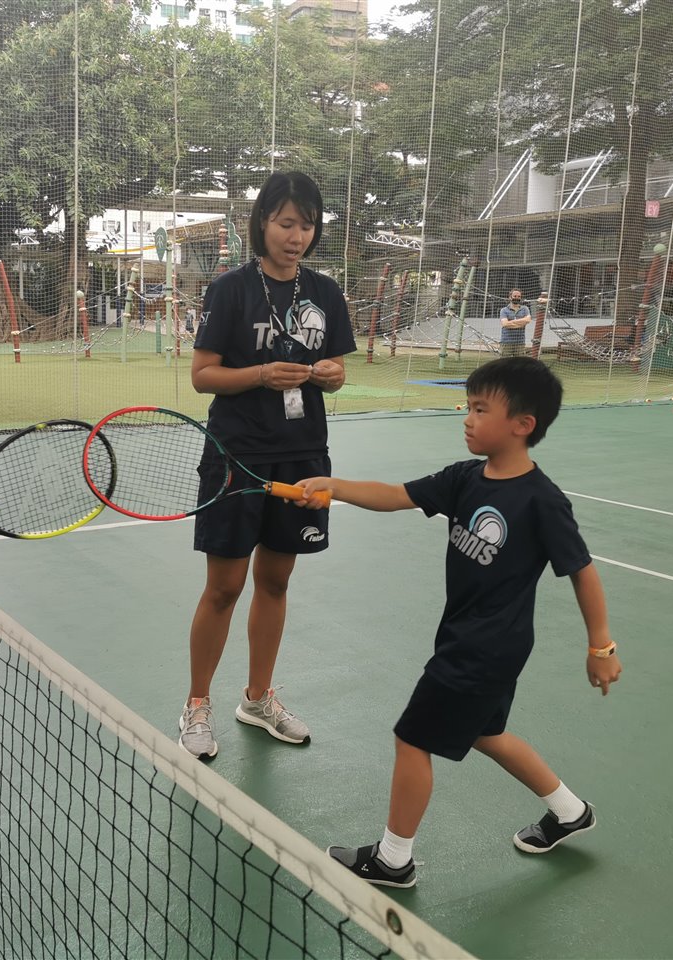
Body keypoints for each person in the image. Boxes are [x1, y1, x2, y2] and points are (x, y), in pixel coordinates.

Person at [295, 356, 621, 887]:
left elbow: (582, 571)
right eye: (467, 407)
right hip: (469, 636)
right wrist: (335, 486)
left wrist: (600, 648)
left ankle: (393, 859)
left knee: (412, 738)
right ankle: (570, 811)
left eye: (480, 409)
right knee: (485, 733)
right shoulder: (465, 478)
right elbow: (396, 496)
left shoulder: (542, 501)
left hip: (485, 647)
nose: (467, 419)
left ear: (522, 425)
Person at [179, 171, 356, 760]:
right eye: (286, 224)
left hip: (302, 455)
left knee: (276, 581)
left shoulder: (326, 293)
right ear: (262, 223)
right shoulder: (230, 289)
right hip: (237, 456)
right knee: (224, 587)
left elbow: (338, 370)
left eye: (307, 225)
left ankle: (257, 699)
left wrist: (331, 374)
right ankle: (197, 705)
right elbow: (203, 375)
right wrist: (259, 374)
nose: (297, 236)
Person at [498, 289, 532, 356]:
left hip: (520, 342)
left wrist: (511, 322)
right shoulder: (504, 310)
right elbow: (505, 324)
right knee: (505, 362)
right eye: (515, 296)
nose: (517, 298)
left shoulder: (525, 309)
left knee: (520, 362)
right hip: (506, 342)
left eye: (519, 296)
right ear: (510, 297)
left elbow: (528, 320)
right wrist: (521, 323)